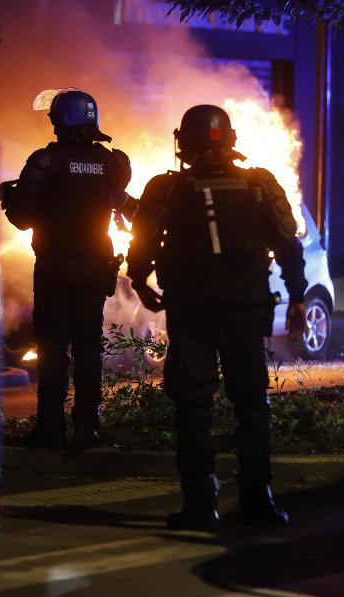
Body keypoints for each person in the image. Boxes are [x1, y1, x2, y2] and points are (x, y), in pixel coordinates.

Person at [126, 104, 308, 531]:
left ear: (183, 142)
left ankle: (199, 504)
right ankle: (257, 499)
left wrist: (139, 280)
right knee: (251, 404)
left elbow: (142, 242)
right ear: (231, 140)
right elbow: (287, 243)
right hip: (245, 310)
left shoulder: (165, 188)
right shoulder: (259, 184)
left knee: (192, 404)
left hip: (191, 311)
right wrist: (298, 296)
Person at [3, 89, 134, 451]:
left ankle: (49, 428)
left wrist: (11, 201)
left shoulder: (45, 161)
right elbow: (116, 200)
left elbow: (22, 218)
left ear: (61, 120)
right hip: (95, 267)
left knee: (53, 348)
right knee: (89, 348)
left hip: (54, 267)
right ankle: (87, 428)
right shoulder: (113, 163)